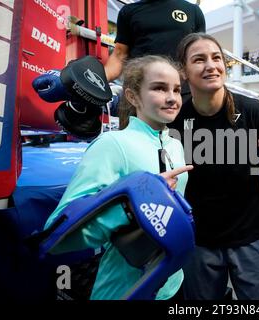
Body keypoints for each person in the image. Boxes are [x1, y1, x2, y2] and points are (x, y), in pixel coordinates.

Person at [44, 56, 193, 300]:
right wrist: (133, 207)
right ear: (133, 97)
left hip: (172, 285)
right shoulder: (112, 145)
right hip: (122, 290)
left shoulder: (175, 145)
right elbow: (56, 236)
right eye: (159, 88)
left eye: (176, 90)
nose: (172, 98)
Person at [169, 33, 259, 300]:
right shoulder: (177, 120)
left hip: (251, 236)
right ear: (184, 72)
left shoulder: (251, 109)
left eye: (216, 58)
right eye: (199, 60)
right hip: (199, 240)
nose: (211, 65)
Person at [104, 0, 206, 82]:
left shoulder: (193, 11)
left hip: (182, 89)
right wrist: (99, 81)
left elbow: (200, 55)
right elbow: (119, 55)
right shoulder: (129, 11)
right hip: (140, 89)